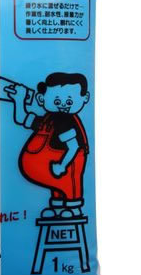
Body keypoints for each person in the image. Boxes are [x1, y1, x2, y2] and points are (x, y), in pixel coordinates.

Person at [7, 72, 90, 218]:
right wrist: (19, 99)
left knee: (70, 185)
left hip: (66, 163)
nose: (63, 105)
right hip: (53, 164)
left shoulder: (66, 122)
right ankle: (57, 208)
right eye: (57, 101)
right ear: (41, 98)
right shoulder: (49, 118)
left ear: (85, 98)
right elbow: (22, 118)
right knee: (57, 186)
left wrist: (62, 166)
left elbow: (73, 147)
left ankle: (74, 209)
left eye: (69, 102)